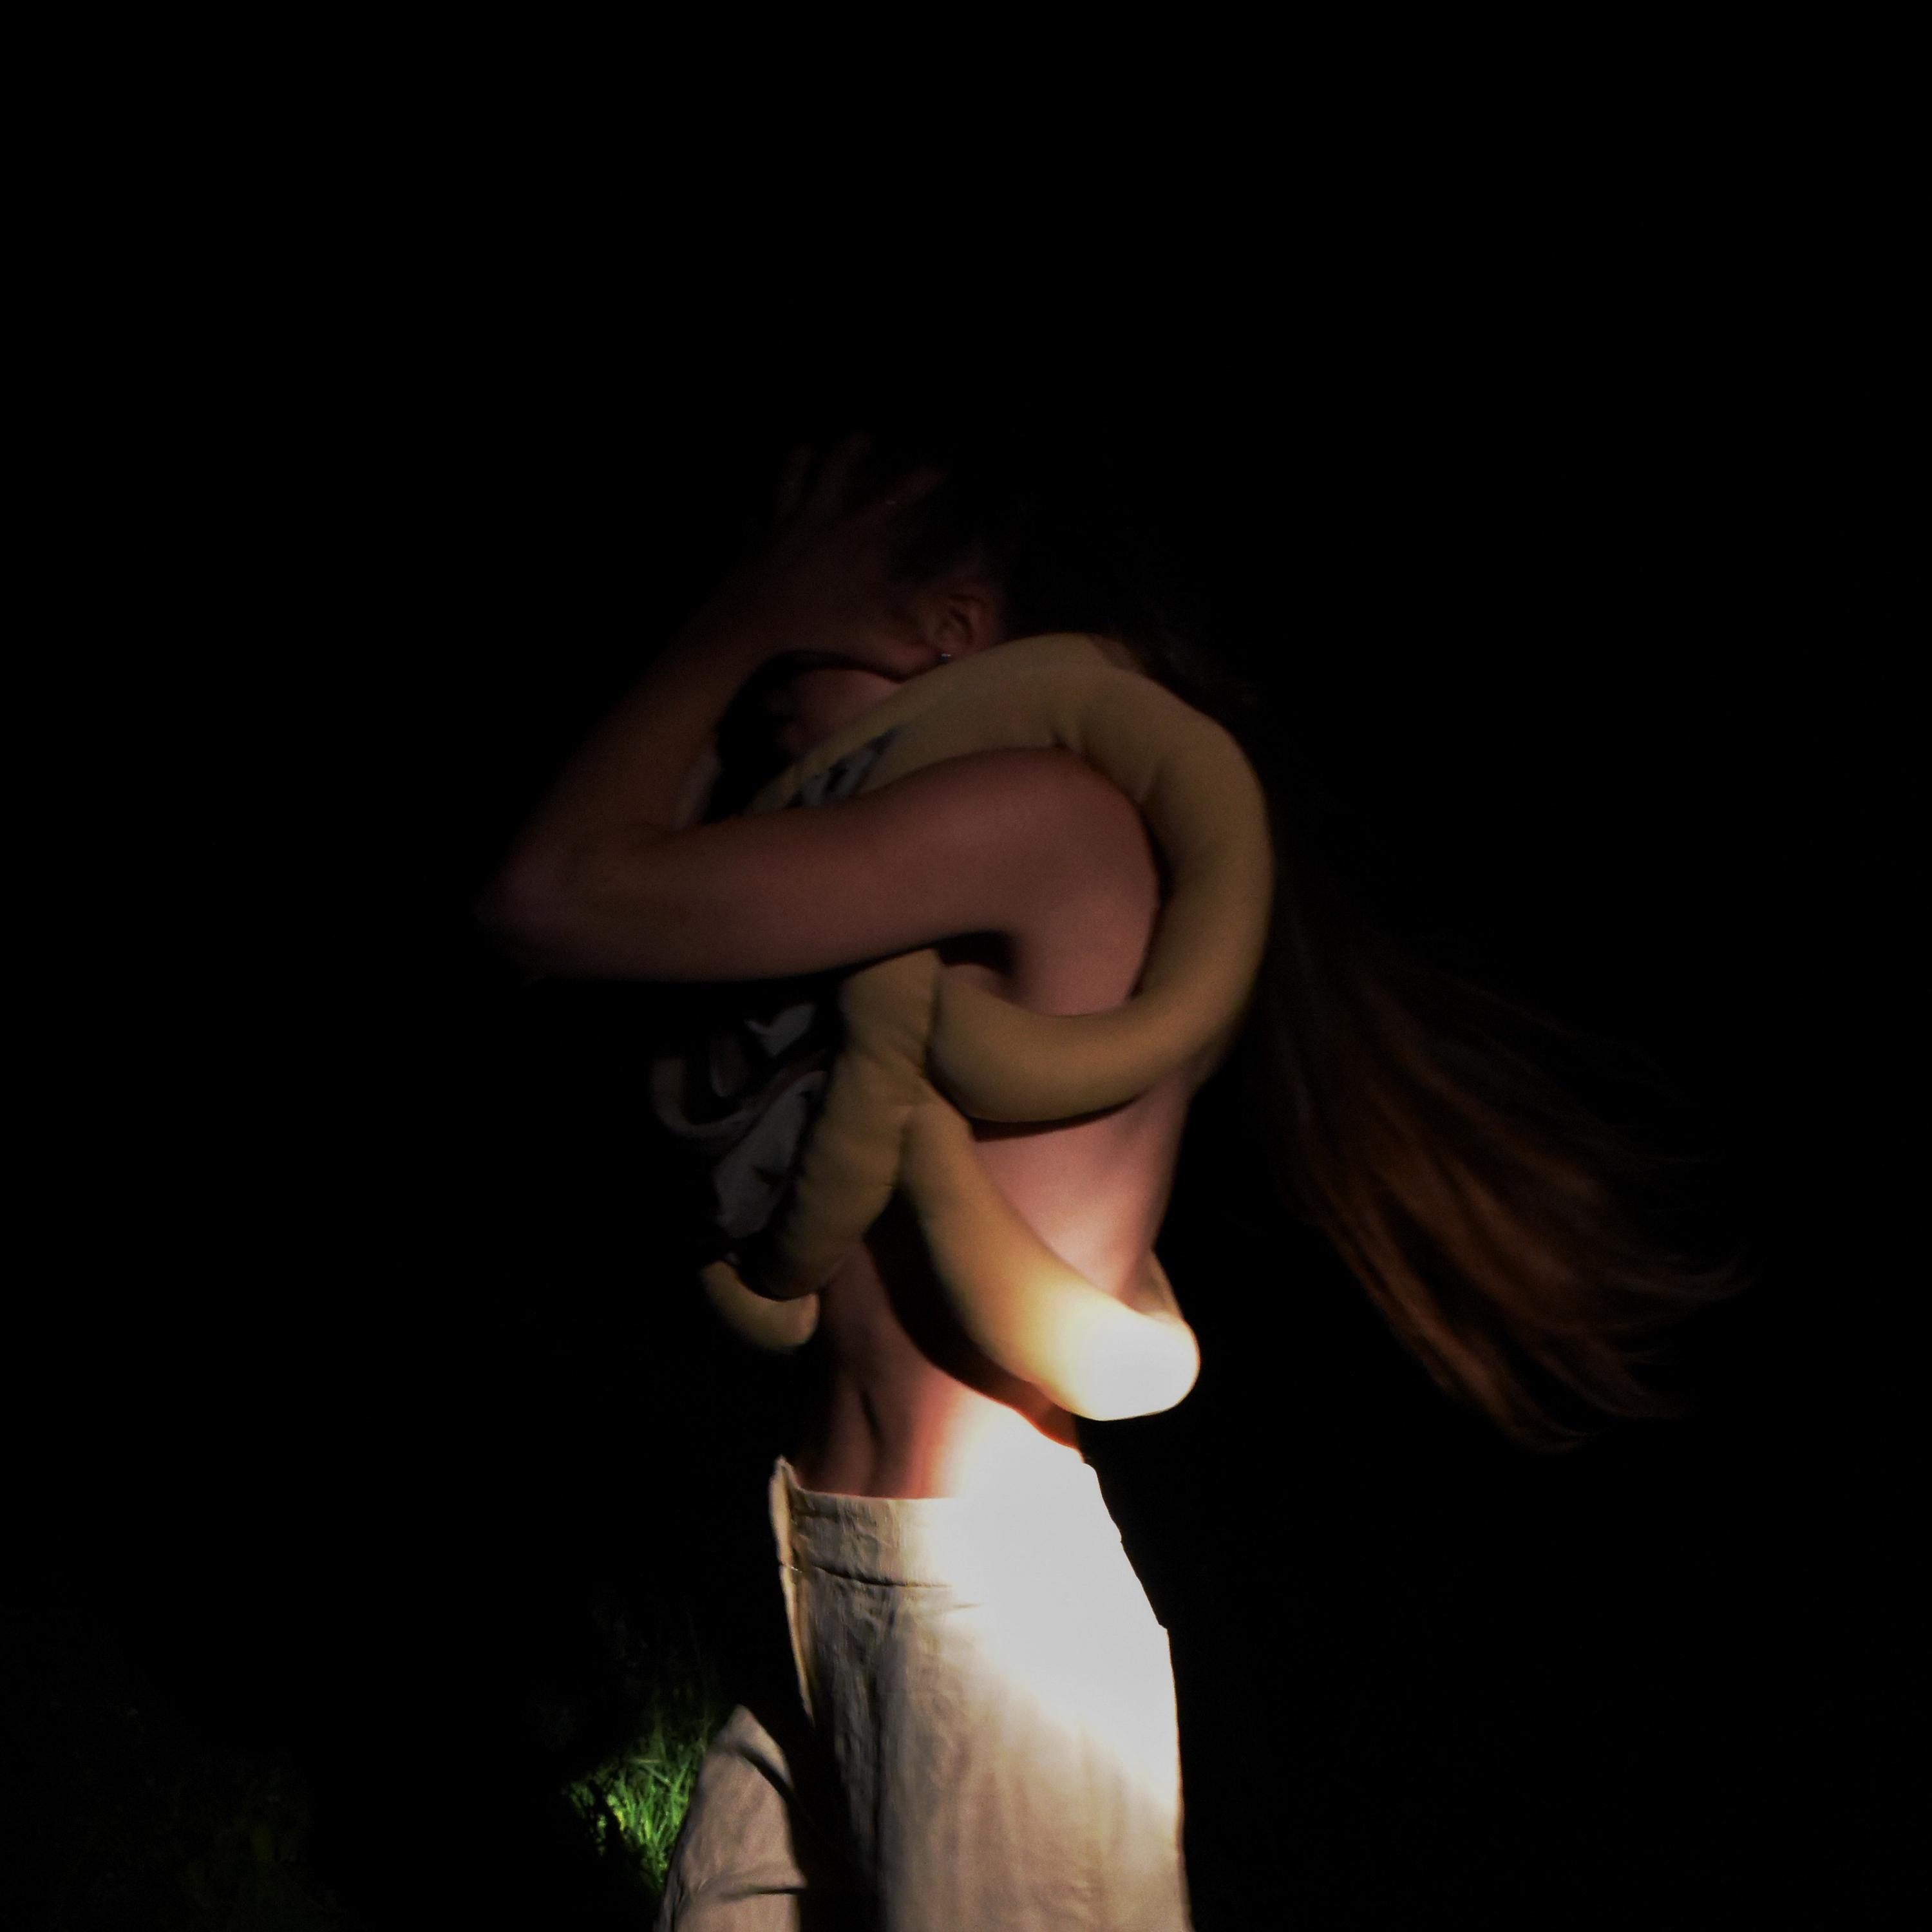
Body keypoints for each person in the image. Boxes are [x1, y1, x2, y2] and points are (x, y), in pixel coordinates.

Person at [478, 429, 1748, 1927]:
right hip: (831, 1568)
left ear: (948, 624)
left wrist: (743, 612)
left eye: (797, 636)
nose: (763, 692)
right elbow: (629, 888)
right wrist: (765, 631)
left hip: (982, 1609)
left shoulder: (1046, 810)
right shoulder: (894, 882)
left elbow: (554, 896)